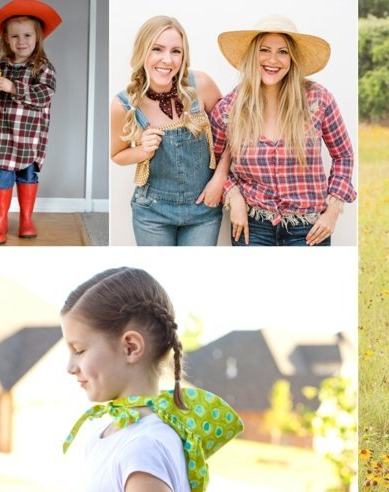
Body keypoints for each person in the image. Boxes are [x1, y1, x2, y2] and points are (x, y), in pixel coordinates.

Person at [61, 267, 243, 492]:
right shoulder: (112, 434)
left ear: (131, 347)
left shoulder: (143, 448)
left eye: (79, 350)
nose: (69, 367)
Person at [211, 15, 356, 246]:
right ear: (252, 55)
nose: (273, 60)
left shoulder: (318, 99)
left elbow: (344, 156)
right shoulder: (228, 109)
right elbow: (214, 162)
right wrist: (233, 196)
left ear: (292, 58)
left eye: (283, 52)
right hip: (252, 226)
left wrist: (333, 211)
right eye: (264, 50)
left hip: (309, 228)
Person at [110, 16, 226, 246]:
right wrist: (142, 151)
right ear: (143, 51)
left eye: (176, 51)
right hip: (152, 213)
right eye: (157, 49)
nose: (167, 59)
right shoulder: (124, 104)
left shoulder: (200, 85)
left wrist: (219, 179)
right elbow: (117, 155)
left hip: (203, 210)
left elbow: (231, 135)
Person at [0, 0, 61, 244]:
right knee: (0, 177)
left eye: (27, 35)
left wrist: (13, 87)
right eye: (14, 36)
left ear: (37, 37)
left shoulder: (42, 68)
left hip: (28, 137)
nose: (21, 41)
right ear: (6, 39)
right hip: (3, 137)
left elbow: (44, 95)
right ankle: (1, 223)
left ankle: (26, 219)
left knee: (27, 176)